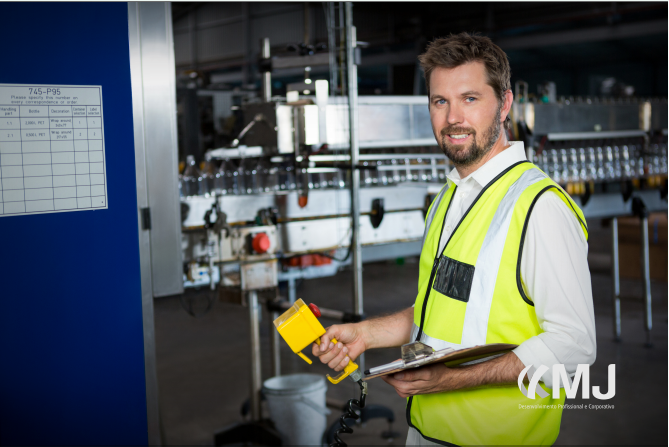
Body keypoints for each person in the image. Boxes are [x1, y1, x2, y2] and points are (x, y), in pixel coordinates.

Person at [312, 33, 596, 446]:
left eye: (470, 98)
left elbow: (575, 346)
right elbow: (444, 309)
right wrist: (367, 335)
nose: (452, 119)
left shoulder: (539, 207)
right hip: (426, 432)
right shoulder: (449, 198)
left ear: (504, 104)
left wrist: (452, 379)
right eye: (439, 101)